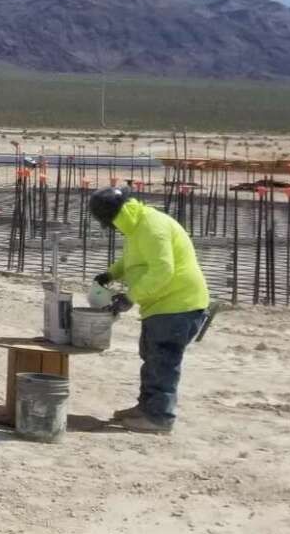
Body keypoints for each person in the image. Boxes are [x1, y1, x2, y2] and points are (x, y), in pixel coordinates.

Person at [90, 186, 210, 434]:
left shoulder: (151, 227)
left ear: (113, 216)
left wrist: (130, 297)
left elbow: (162, 270)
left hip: (178, 305)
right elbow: (133, 259)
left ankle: (159, 418)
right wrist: (112, 273)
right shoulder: (137, 225)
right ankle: (146, 408)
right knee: (151, 356)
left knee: (163, 360)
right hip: (162, 305)